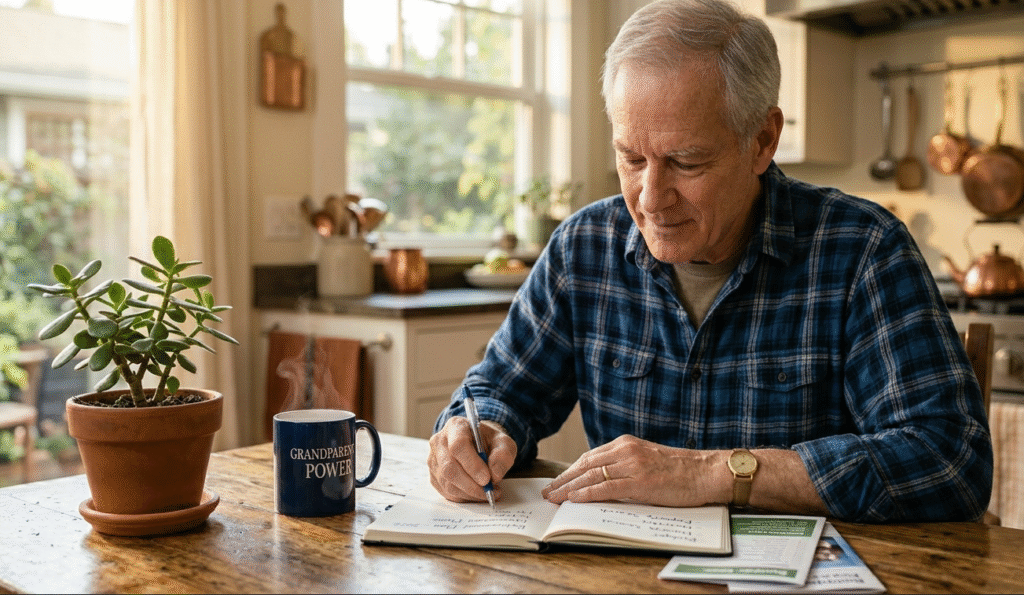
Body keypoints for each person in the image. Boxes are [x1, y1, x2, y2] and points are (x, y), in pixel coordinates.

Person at [428, 0, 992, 523]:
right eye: (631, 157)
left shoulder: (863, 250)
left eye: (686, 162)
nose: (650, 198)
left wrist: (710, 473)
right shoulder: (585, 248)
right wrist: (473, 432)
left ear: (762, 140)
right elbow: (500, 392)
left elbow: (948, 460)